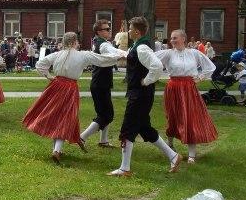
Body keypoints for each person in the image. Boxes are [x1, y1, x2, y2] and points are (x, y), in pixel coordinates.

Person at [23, 32, 121, 164]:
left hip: (55, 86)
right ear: (75, 42)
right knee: (65, 117)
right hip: (69, 88)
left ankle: (56, 149)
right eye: (77, 42)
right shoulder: (83, 55)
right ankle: (56, 150)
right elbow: (102, 60)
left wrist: (48, 76)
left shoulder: (58, 54)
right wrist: (119, 55)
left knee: (56, 115)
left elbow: (40, 64)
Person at [109, 17, 182, 176]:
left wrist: (146, 81)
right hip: (140, 93)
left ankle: (124, 168)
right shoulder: (138, 46)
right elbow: (129, 55)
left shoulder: (142, 48)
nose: (128, 31)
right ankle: (173, 156)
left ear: (136, 31)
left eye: (130, 28)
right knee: (144, 129)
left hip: (140, 94)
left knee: (128, 128)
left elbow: (156, 66)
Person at [155, 29, 217, 164]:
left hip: (189, 88)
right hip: (173, 87)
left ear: (183, 39)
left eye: (175, 38)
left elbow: (210, 67)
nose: (172, 41)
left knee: (190, 118)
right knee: (173, 116)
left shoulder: (194, 53)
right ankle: (170, 145)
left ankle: (191, 155)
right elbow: (150, 59)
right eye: (171, 38)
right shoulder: (168, 53)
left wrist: (200, 78)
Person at [80, 20, 127, 149]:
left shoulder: (98, 42)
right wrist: (127, 54)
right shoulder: (103, 45)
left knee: (105, 113)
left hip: (101, 83)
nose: (109, 30)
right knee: (107, 115)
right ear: (99, 32)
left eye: (109, 28)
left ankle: (103, 141)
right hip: (100, 83)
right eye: (106, 29)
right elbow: (113, 51)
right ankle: (82, 137)